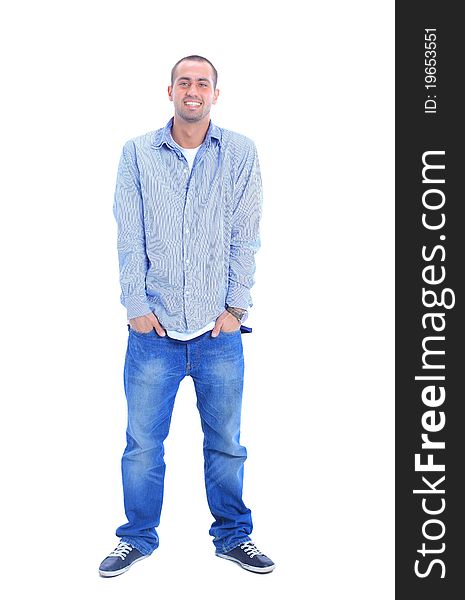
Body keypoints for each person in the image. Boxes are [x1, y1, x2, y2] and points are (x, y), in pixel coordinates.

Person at [99, 55, 274, 577]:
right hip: (153, 331)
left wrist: (234, 307)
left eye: (203, 82)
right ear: (169, 90)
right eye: (184, 81)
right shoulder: (137, 154)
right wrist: (136, 310)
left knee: (226, 443)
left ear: (215, 94)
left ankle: (233, 536)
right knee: (142, 446)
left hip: (219, 332)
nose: (192, 89)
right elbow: (129, 236)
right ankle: (136, 538)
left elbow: (246, 233)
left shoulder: (240, 153)